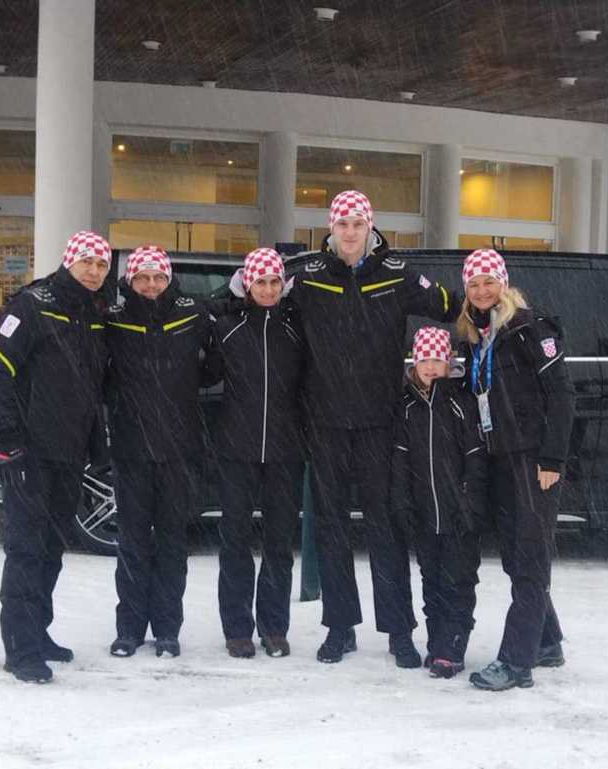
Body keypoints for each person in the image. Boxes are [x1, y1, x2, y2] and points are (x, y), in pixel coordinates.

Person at [287, 190, 458, 666]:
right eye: (342, 224)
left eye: (357, 224)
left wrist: (496, 313)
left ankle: (399, 631)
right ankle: (340, 627)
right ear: (331, 228)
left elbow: (450, 306)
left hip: (381, 424)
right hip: (326, 424)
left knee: (387, 528)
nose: (350, 232)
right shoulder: (309, 277)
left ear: (370, 227)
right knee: (332, 529)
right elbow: (259, 303)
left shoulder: (396, 274)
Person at [0, 230, 112, 683]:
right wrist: (8, 440)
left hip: (69, 454)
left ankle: (38, 630)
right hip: (27, 454)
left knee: (53, 548)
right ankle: (20, 648)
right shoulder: (32, 306)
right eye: (87, 262)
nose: (94, 271)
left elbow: (90, 385)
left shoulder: (94, 313)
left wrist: (95, 444)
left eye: (101, 265)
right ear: (69, 261)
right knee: (26, 549)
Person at [454, 248, 576, 691]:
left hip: (532, 460)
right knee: (516, 557)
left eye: (489, 281)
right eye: (473, 284)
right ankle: (547, 642)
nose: (482, 290)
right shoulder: (477, 336)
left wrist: (552, 459)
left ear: (503, 284)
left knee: (530, 560)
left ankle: (515, 661)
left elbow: (561, 396)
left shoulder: (529, 329)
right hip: (500, 460)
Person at [105, 244, 220, 659]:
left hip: (178, 450)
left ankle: (168, 629)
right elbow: (100, 373)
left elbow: (215, 364)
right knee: (132, 544)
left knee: (173, 545)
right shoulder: (114, 320)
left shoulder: (193, 315)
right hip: (131, 450)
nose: (151, 285)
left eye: (158, 277)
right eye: (142, 277)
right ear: (131, 280)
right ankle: (129, 630)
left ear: (169, 279)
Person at [211, 248, 305, 659]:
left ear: (283, 285)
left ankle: (274, 627)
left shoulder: (295, 329)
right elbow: (207, 373)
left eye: (273, 282)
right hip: (237, 450)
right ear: (246, 285)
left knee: (279, 543)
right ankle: (237, 629)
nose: (267, 290)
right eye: (260, 283)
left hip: (285, 450)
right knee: (234, 541)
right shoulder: (227, 328)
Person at [391, 326, 487, 679]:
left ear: (449, 363)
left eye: (437, 360)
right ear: (414, 364)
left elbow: (476, 460)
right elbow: (400, 461)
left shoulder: (461, 404)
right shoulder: (406, 408)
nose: (430, 367)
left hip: (458, 515)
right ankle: (437, 644)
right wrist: (402, 503)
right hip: (424, 515)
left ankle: (453, 647)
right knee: (431, 581)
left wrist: (470, 504)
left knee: (458, 582)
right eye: (424, 360)